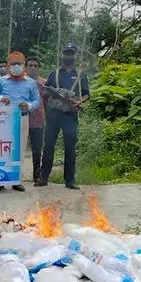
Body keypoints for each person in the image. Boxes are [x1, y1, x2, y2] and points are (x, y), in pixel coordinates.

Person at [36, 43, 90, 190]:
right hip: (54, 114)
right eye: (66, 53)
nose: (68, 56)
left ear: (75, 56)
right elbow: (46, 90)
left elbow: (86, 93)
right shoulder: (55, 73)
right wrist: (47, 93)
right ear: (62, 55)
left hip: (71, 115)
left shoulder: (80, 74)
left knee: (70, 147)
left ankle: (70, 180)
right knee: (48, 146)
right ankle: (43, 177)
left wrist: (79, 101)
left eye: (71, 53)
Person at [0, 51, 41, 193]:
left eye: (19, 64)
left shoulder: (31, 83)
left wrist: (29, 105)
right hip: (3, 120)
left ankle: (17, 181)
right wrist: (1, 98)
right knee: (2, 149)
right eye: (13, 64)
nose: (16, 66)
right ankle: (0, 180)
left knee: (20, 149)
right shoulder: (1, 81)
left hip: (22, 118)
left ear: (23, 65)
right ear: (9, 65)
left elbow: (37, 101)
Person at [26, 56, 48, 183]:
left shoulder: (44, 83)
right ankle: (16, 176)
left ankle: (37, 175)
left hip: (38, 120)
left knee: (37, 149)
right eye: (31, 65)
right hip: (21, 119)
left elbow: (47, 102)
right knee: (19, 148)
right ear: (26, 67)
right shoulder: (20, 82)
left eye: (36, 66)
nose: (33, 68)